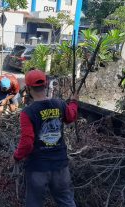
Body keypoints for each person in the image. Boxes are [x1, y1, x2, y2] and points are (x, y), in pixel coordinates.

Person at [12, 70, 79, 207]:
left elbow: (27, 142)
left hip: (38, 168)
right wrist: (73, 102)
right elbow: (70, 117)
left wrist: (16, 157)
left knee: (34, 203)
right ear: (46, 84)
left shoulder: (28, 112)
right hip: (60, 165)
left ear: (28, 88)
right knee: (66, 201)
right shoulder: (60, 104)